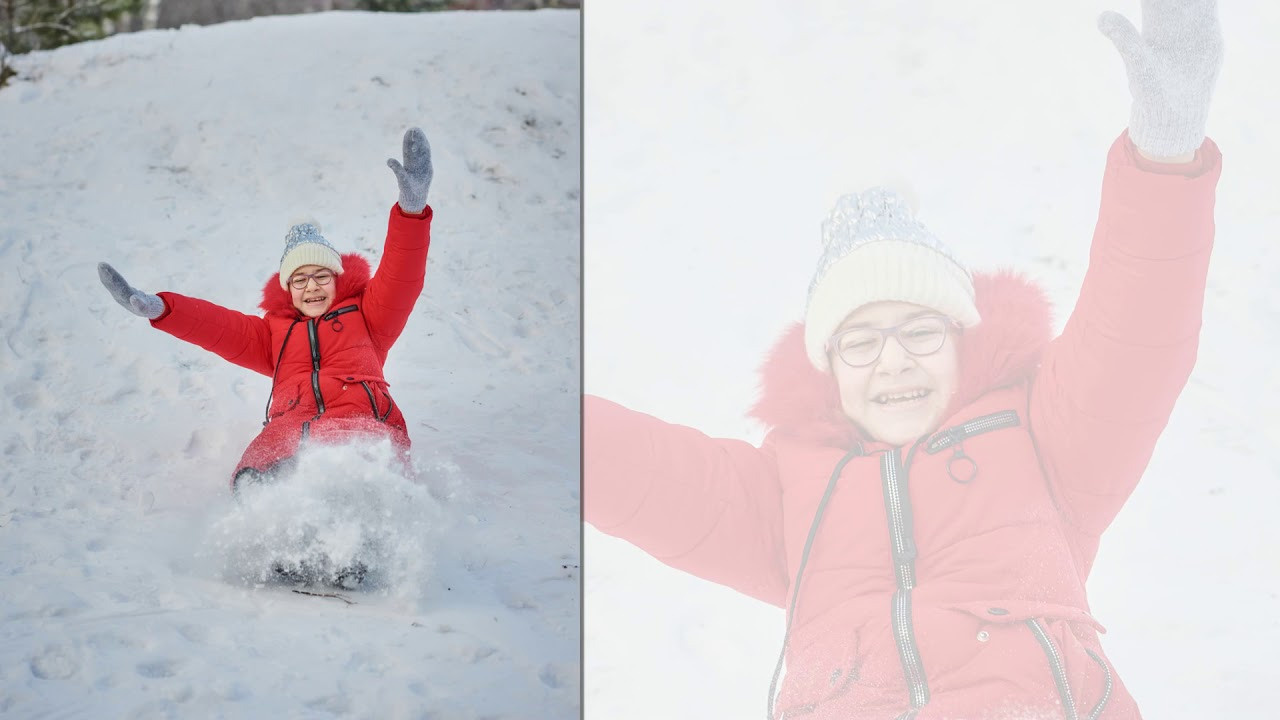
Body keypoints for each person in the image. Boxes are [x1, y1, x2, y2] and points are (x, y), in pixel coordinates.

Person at [585, 2, 1222, 719]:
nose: (893, 362)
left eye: (920, 331)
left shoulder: (1047, 442)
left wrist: (1165, 156)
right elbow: (633, 467)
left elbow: (1135, 337)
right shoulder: (788, 496)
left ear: (961, 340)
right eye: (860, 342)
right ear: (828, 371)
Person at [98, 127, 435, 495]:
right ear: (287, 289)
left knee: (350, 455)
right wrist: (162, 309)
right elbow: (216, 327)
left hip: (361, 421)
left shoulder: (369, 317)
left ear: (337, 279)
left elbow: (401, 277)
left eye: (322, 276)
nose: (312, 287)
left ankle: (369, 515)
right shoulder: (274, 335)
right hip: (290, 429)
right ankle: (272, 528)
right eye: (300, 280)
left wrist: (410, 211)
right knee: (257, 465)